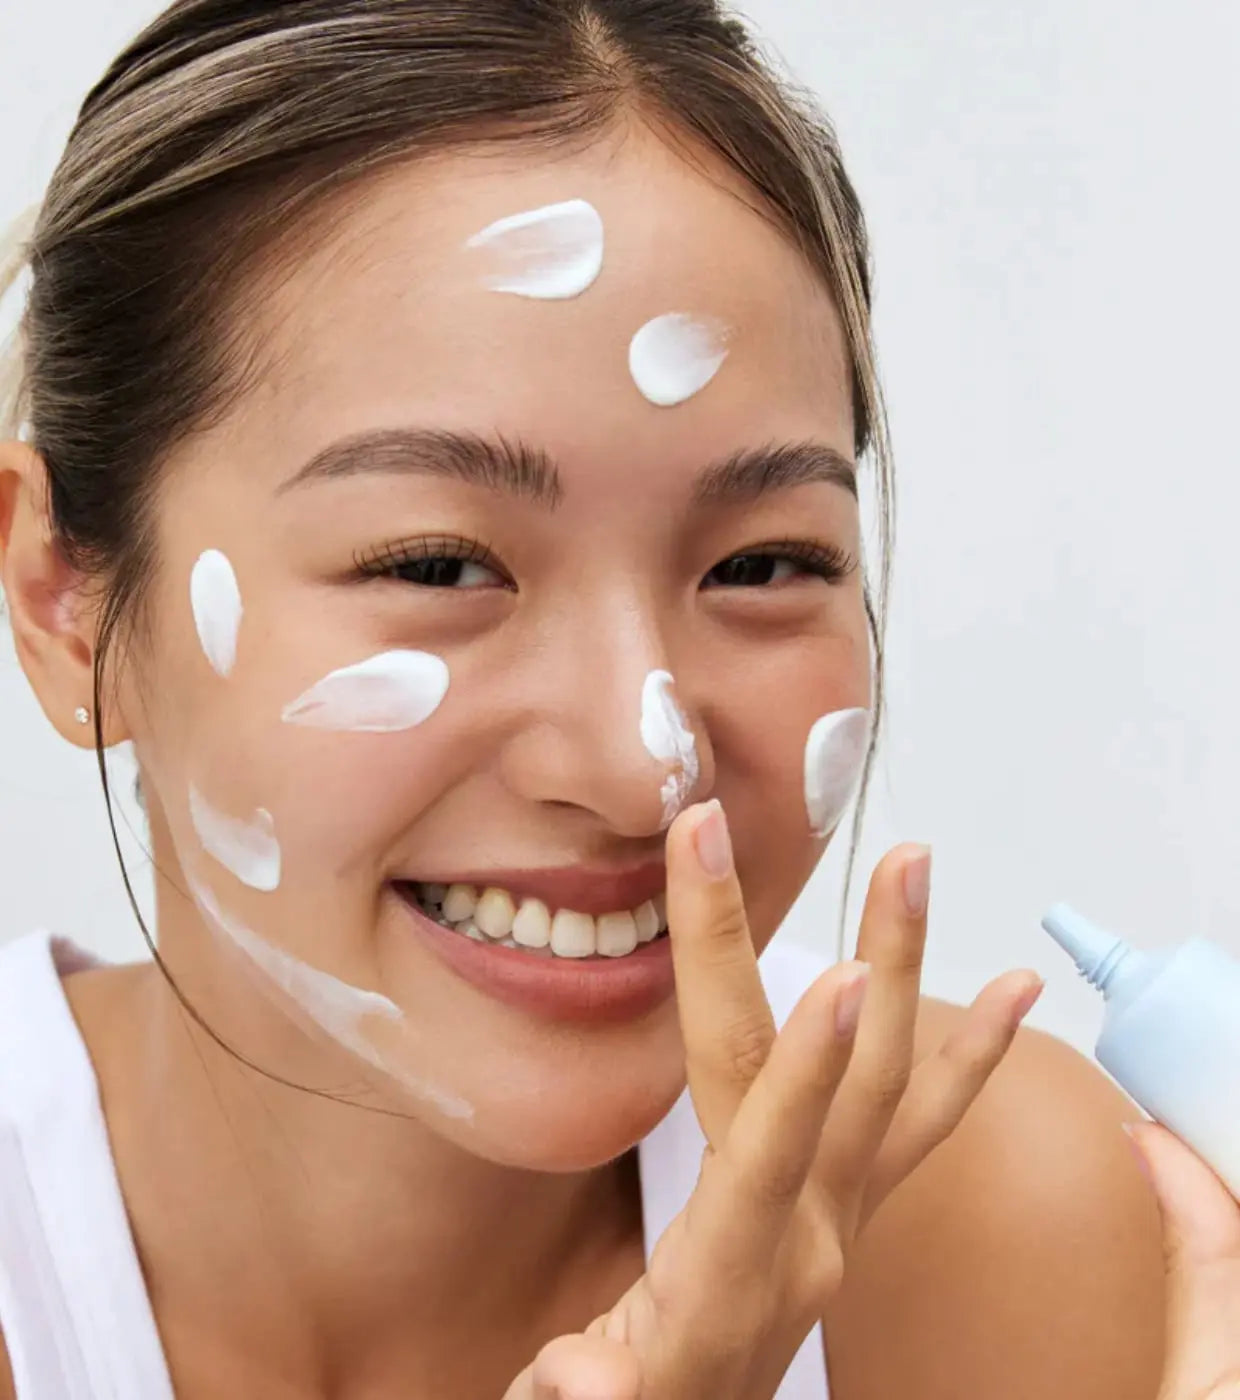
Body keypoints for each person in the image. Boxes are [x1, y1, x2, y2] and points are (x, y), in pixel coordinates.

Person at [0, 2, 1175, 1395]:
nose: (641, 761)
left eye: (761, 564)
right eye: (438, 563)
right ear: (64, 601)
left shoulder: (993, 1225)